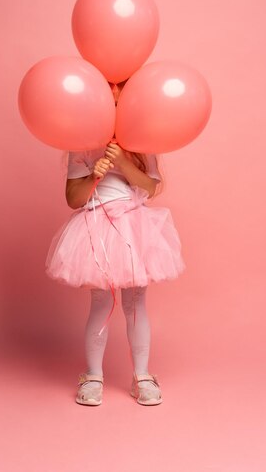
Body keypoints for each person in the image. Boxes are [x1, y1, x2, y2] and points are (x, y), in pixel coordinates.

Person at [45, 81, 185, 406]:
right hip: (98, 226)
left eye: (118, 96)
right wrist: (96, 172)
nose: (113, 103)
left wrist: (123, 163)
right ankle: (93, 375)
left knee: (136, 303)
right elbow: (73, 199)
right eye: (107, 95)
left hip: (134, 227)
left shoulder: (142, 142)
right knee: (101, 303)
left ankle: (142, 375)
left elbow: (149, 189)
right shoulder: (81, 144)